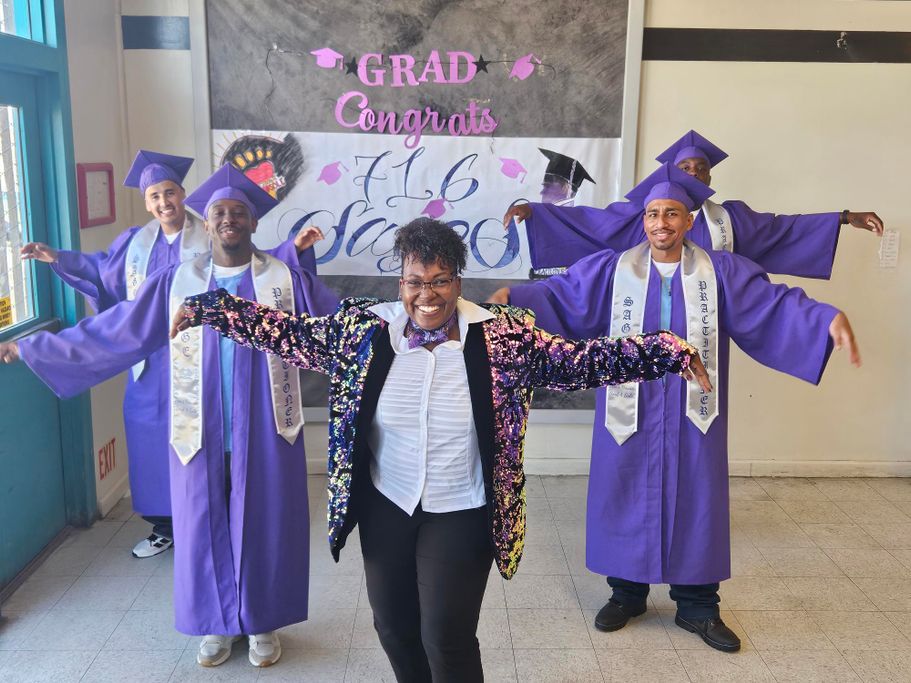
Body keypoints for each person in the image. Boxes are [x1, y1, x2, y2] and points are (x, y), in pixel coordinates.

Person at [169, 217, 707, 682]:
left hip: (463, 506)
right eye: (415, 282)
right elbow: (288, 333)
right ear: (400, 283)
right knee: (393, 628)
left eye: (440, 281)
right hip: (388, 502)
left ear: (458, 281)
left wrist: (669, 351)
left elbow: (581, 361)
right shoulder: (363, 330)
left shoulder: (504, 337)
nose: (426, 295)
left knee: (445, 636)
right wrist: (211, 307)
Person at [488, 163, 861, 653]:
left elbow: (772, 303)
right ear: (643, 220)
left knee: (697, 495)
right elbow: (563, 295)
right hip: (629, 409)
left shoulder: (721, 270)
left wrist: (824, 319)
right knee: (624, 488)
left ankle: (698, 605)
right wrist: (516, 299)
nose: (661, 222)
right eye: (653, 214)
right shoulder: (612, 269)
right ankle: (626, 594)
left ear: (688, 221)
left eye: (672, 214)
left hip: (693, 411)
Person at [1, 164, 340, 668]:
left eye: (239, 212)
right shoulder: (176, 280)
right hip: (198, 427)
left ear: (253, 221)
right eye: (219, 212)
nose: (228, 219)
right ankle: (216, 623)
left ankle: (262, 622)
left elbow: (340, 328)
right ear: (208, 221)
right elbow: (118, 330)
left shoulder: (284, 280)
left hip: (268, 427)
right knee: (203, 524)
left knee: (265, 523)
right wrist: (37, 348)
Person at [19, 150, 320, 559]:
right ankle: (167, 528)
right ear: (147, 202)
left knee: (222, 448)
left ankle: (226, 531)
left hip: (208, 360)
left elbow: (257, 270)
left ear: (182, 194)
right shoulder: (137, 245)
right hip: (151, 362)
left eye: (170, 192)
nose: (164, 202)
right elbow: (107, 282)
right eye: (155, 196)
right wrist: (58, 260)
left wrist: (293, 251)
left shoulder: (216, 234)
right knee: (158, 447)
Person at [504, 129, 884, 279]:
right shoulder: (644, 216)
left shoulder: (730, 219)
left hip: (707, 318)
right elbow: (592, 223)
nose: (694, 174)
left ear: (710, 178)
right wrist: (536, 212)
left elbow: (783, 229)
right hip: (645, 314)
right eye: (685, 168)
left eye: (701, 169)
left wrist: (844, 217)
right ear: (671, 172)